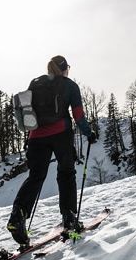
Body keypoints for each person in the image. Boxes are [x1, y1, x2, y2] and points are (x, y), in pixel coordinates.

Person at [6, 55, 97, 248]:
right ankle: (69, 216)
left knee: (36, 176)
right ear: (64, 68)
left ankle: (17, 216)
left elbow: (28, 111)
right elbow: (78, 115)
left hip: (36, 137)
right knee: (66, 173)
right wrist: (89, 133)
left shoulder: (35, 82)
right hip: (61, 134)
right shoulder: (70, 86)